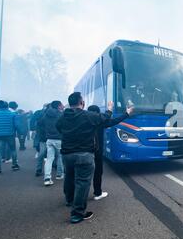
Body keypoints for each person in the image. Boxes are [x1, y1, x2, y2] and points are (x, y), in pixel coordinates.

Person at [56, 93, 133, 224]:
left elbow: (59, 128)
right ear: (82, 103)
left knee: (69, 176)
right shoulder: (87, 116)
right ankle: (77, 213)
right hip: (84, 154)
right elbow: (106, 118)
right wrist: (113, 109)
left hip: (67, 154)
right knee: (82, 183)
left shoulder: (63, 117)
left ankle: (69, 200)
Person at [87, 105, 130, 201]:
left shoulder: (82, 120)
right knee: (97, 172)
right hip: (97, 151)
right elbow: (115, 121)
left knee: (82, 175)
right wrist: (126, 113)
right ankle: (97, 193)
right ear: (98, 113)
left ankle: (72, 198)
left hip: (83, 151)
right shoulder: (100, 122)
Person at [39, 101, 64, 186]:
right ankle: (59, 174)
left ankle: (47, 178)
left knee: (49, 159)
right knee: (60, 157)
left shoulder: (46, 115)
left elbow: (40, 124)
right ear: (58, 106)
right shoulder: (61, 115)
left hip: (49, 139)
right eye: (61, 105)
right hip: (59, 139)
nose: (63, 106)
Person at [0, 101, 21, 174]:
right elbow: (17, 125)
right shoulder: (13, 114)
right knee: (13, 150)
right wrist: (19, 133)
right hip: (10, 134)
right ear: (7, 107)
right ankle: (14, 165)